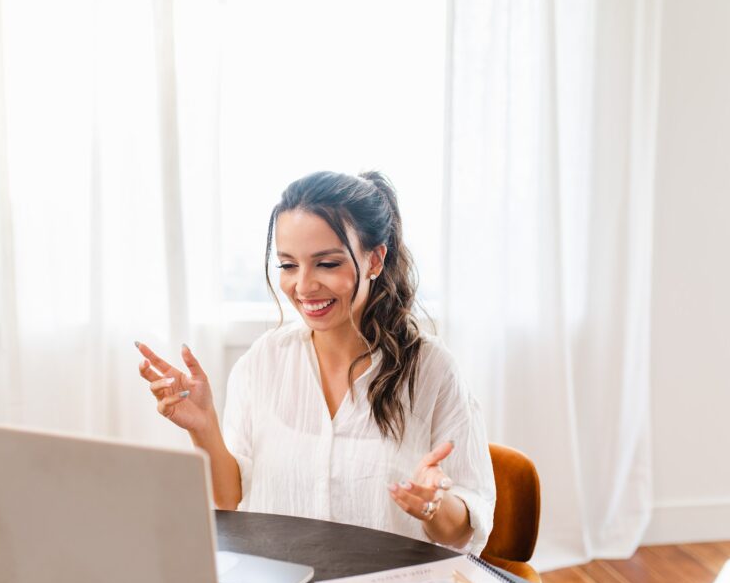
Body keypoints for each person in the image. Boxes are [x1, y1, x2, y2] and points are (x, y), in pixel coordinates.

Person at [136, 171, 495, 553]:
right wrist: (203, 426)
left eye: (326, 264)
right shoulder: (263, 362)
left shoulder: (433, 370)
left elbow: (461, 531)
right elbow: (232, 500)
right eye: (288, 265)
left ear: (374, 260)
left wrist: (433, 507)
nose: (304, 286)